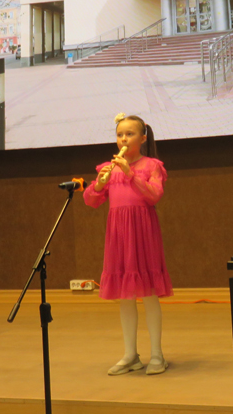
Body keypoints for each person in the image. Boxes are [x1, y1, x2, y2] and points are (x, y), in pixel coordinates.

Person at [83, 113, 173, 376]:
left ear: (143, 138)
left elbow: (154, 195)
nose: (123, 139)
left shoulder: (152, 166)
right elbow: (91, 200)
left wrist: (130, 174)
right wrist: (99, 184)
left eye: (130, 134)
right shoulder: (107, 169)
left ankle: (157, 355)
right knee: (125, 295)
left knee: (149, 293)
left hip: (143, 232)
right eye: (120, 134)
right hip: (119, 235)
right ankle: (130, 355)